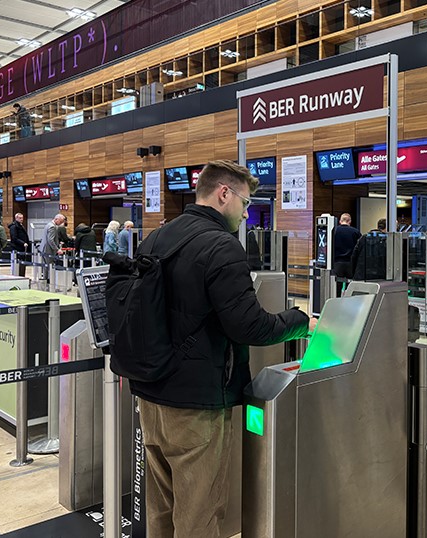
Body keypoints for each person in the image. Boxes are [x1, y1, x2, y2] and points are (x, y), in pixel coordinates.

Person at [132, 160, 315, 538]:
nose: (247, 214)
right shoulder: (222, 245)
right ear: (224, 193)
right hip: (196, 403)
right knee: (199, 512)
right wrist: (300, 320)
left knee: (161, 508)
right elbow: (249, 325)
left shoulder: (156, 238)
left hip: (150, 393)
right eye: (246, 204)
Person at [332, 213, 361, 280]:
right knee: (350, 284)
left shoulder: (334, 231)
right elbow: (360, 247)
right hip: (350, 263)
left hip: (337, 262)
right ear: (350, 221)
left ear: (340, 221)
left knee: (337, 284)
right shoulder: (355, 232)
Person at [8, 212, 29, 277]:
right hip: (17, 248)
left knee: (22, 264)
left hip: (22, 248)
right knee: (17, 264)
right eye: (20, 218)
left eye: (22, 218)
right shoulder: (14, 227)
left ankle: (22, 275)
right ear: (16, 218)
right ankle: (17, 276)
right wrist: (23, 243)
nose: (21, 219)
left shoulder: (21, 225)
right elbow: (14, 238)